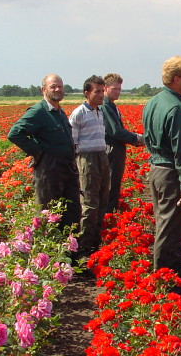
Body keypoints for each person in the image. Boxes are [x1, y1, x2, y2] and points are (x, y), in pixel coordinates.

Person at [142, 56, 181, 300]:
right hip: (170, 173)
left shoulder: (154, 102)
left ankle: (178, 280)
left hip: (156, 169)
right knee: (168, 230)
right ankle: (166, 285)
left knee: (172, 229)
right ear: (177, 79)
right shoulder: (175, 108)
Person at [8, 74, 81, 230]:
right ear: (44, 90)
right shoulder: (39, 111)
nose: (57, 89)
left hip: (67, 167)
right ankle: (49, 251)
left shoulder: (59, 112)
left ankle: (70, 250)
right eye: (53, 86)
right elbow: (15, 133)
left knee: (71, 210)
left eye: (60, 86)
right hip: (49, 169)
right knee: (50, 212)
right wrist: (37, 151)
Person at [69, 75, 110, 260]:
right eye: (98, 91)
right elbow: (73, 142)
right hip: (87, 158)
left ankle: (96, 242)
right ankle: (84, 246)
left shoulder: (99, 111)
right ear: (87, 93)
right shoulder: (79, 113)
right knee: (90, 203)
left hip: (101, 155)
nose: (102, 94)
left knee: (102, 200)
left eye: (103, 91)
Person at [101, 73, 143, 214]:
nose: (118, 92)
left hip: (116, 147)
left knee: (114, 183)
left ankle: (110, 212)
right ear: (105, 88)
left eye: (119, 89)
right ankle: (108, 214)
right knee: (111, 184)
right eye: (114, 89)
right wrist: (137, 138)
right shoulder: (105, 105)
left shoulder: (111, 105)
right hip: (111, 148)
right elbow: (115, 131)